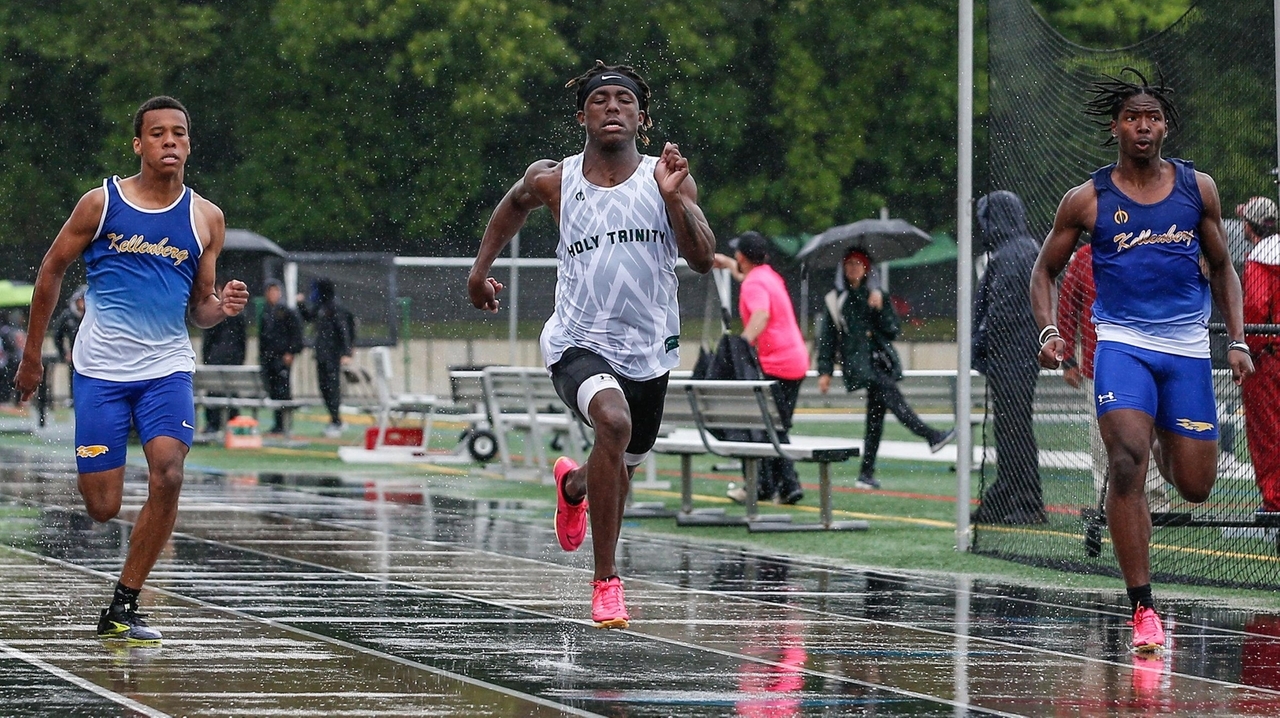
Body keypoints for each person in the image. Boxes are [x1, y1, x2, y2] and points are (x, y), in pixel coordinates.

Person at [467, 60, 715, 629]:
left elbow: (702, 259)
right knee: (614, 424)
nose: (611, 107)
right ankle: (606, 582)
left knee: (619, 462)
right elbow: (512, 205)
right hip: (576, 341)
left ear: (642, 119)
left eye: (623, 101)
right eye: (599, 99)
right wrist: (481, 271)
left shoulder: (667, 179)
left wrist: (676, 200)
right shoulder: (556, 179)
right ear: (582, 115)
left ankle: (575, 485)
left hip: (651, 350)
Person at [1030, 69, 1254, 653]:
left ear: (1165, 126)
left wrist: (1237, 338)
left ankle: (1162, 433)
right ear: (1116, 128)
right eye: (1133, 117)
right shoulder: (1088, 199)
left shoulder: (1196, 188)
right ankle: (1143, 610)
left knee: (1196, 486)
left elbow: (1226, 267)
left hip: (1184, 348)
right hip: (1122, 345)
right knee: (1125, 464)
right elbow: (1044, 271)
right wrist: (1051, 330)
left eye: (1153, 117)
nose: (1144, 126)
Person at [14, 95, 249, 643]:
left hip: (166, 367)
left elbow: (200, 308)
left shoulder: (206, 218)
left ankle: (124, 604)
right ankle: (117, 579)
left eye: (180, 133)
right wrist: (32, 356)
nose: (170, 142)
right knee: (102, 507)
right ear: (138, 144)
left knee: (169, 472)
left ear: (189, 143)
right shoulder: (101, 204)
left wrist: (224, 306)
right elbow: (50, 271)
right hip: (100, 370)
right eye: (158, 133)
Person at [816, 248, 954, 489]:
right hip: (861, 366)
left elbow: (892, 330)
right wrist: (824, 371)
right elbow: (827, 339)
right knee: (894, 401)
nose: (853, 269)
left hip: (881, 362)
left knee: (875, 419)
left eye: (858, 264)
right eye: (849, 264)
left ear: (867, 268)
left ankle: (866, 473)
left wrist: (879, 306)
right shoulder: (835, 300)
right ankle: (930, 435)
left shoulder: (877, 294)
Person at [1058, 243, 1170, 513]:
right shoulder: (1086, 257)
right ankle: (1109, 499)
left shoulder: (1148, 249)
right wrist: (1069, 360)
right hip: (1099, 367)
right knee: (1102, 436)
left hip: (1145, 361)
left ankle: (1153, 500)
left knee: (1147, 431)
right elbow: (1068, 304)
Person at [714, 231, 808, 506]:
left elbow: (761, 313)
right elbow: (751, 282)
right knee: (774, 427)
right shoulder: (768, 275)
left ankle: (786, 485)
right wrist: (731, 267)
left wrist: (742, 345)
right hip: (795, 359)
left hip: (776, 363)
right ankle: (775, 485)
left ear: (743, 255)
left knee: (770, 428)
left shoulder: (754, 284)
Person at [971, 190, 1046, 524]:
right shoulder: (1020, 249)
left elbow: (1001, 310)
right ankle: (1010, 498)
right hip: (1014, 355)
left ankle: (1025, 502)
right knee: (1012, 430)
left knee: (1013, 430)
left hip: (1012, 355)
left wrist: (980, 343)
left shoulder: (1013, 253)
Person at [1236, 196, 1280, 513]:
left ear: (1249, 228)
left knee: (1268, 431)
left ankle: (1275, 501)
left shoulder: (1258, 261)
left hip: (1268, 359)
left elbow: (1253, 313)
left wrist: (1245, 352)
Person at [298, 277, 353, 438]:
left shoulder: (335, 307)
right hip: (322, 355)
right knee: (324, 387)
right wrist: (301, 304)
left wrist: (346, 352)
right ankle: (334, 419)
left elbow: (344, 330)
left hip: (332, 355)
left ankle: (336, 421)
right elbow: (309, 316)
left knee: (331, 387)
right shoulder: (321, 307)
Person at [259, 279, 304, 436]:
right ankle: (277, 424)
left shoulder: (286, 312)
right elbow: (263, 337)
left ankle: (285, 424)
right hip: (269, 357)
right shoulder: (266, 312)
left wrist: (291, 352)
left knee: (283, 390)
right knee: (273, 390)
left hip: (281, 357)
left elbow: (297, 334)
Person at [200, 286, 247, 433]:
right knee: (227, 391)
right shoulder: (237, 316)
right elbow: (242, 340)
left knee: (215, 391)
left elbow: (208, 340)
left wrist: (207, 357)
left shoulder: (214, 315)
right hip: (228, 359)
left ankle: (214, 424)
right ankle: (232, 423)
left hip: (218, 359)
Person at [53, 285, 88, 403]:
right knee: (74, 376)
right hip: (74, 353)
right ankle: (74, 399)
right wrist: (63, 353)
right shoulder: (68, 315)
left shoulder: (93, 314)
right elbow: (57, 335)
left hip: (92, 353)